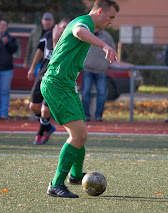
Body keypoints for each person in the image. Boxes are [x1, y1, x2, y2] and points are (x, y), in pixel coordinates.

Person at [41, 0, 119, 198]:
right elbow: (77, 31)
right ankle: (55, 185)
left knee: (81, 133)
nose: (111, 22)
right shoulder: (83, 22)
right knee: (78, 134)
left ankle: (75, 176)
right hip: (57, 84)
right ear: (99, 11)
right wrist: (104, 45)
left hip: (66, 85)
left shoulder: (87, 24)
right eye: (110, 17)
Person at [27, 18, 70, 145]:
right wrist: (32, 68)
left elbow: (60, 58)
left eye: (67, 27)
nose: (64, 30)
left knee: (45, 110)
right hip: (42, 75)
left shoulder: (69, 41)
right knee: (33, 106)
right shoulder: (47, 36)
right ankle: (48, 127)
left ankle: (40, 134)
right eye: (63, 27)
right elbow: (39, 52)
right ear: (57, 26)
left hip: (55, 80)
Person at [82, 29, 116, 121]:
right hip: (87, 69)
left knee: (102, 93)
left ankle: (99, 116)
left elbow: (113, 49)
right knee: (85, 92)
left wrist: (108, 63)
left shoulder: (107, 36)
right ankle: (86, 115)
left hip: (101, 70)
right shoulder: (86, 34)